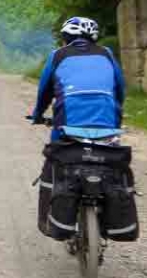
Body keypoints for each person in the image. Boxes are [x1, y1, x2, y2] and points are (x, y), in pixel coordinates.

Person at [29, 16, 126, 237]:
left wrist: (37, 115)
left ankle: (51, 220)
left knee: (55, 160)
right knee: (111, 163)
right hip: (108, 125)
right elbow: (120, 89)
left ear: (65, 37)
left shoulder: (57, 55)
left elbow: (44, 91)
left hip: (67, 128)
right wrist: (115, 114)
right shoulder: (107, 54)